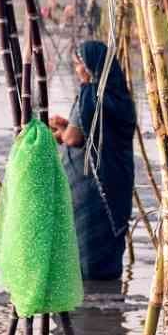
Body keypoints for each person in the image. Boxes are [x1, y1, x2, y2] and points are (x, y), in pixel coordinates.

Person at [50, 41, 137, 281]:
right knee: (106, 248)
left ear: (90, 67)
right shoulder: (121, 98)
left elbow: (75, 138)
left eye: (78, 65)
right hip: (115, 184)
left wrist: (56, 131)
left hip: (90, 190)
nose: (77, 70)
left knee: (85, 247)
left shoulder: (91, 95)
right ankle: (107, 291)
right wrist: (64, 127)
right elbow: (94, 134)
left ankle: (87, 298)